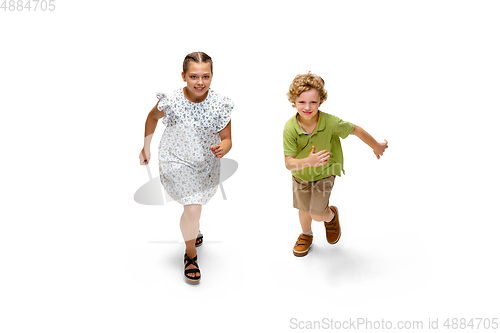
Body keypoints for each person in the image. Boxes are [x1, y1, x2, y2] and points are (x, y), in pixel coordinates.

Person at [139, 52, 234, 283]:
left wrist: (224, 148)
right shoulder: (171, 101)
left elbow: (228, 138)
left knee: (195, 208)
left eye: (205, 76)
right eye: (193, 76)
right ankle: (190, 254)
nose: (199, 82)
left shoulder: (221, 104)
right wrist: (146, 147)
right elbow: (151, 118)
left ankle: (193, 229)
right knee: (193, 208)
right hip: (175, 158)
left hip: (204, 162)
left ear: (212, 76)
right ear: (183, 76)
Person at [283, 72, 388, 257]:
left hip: (325, 172)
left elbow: (355, 129)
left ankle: (330, 215)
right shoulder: (290, 128)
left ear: (320, 102)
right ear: (294, 102)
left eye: (313, 102)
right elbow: (289, 163)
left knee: (317, 213)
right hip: (301, 175)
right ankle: (306, 235)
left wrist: (376, 146)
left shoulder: (330, 123)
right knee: (303, 210)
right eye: (302, 102)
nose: (307, 107)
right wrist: (308, 161)